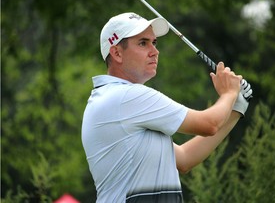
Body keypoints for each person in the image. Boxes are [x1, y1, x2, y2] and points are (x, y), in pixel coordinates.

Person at [81, 12, 252, 203]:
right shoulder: (125, 97)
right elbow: (208, 124)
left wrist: (235, 109)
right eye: (143, 43)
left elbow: (185, 159)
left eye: (154, 43)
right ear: (117, 53)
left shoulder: (120, 102)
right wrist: (228, 94)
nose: (154, 51)